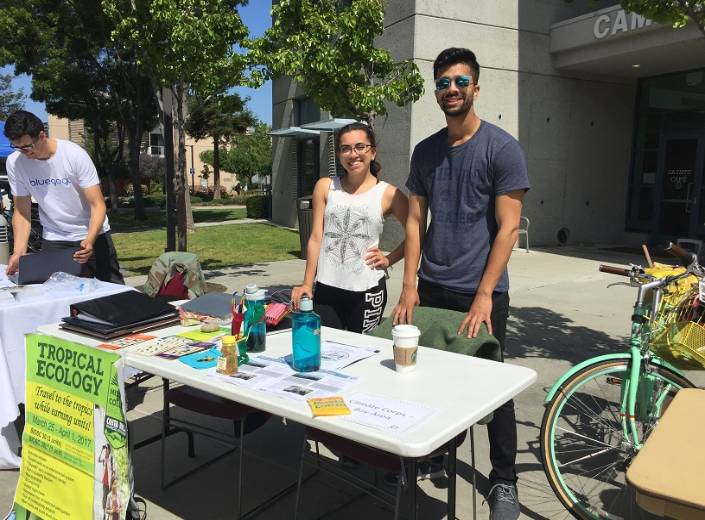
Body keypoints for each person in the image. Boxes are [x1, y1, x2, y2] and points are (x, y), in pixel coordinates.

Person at [393, 48, 529, 520]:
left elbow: (509, 228)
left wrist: (485, 294)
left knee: (493, 387)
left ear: (476, 85)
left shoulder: (501, 148)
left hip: (482, 292)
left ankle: (504, 481)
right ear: (436, 91)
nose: (451, 89)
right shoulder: (425, 151)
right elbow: (414, 220)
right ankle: (430, 453)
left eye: (460, 80)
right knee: (425, 378)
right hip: (430, 284)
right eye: (443, 82)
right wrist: (409, 283)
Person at [291, 122, 408, 334]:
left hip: (367, 290)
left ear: (372, 152)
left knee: (363, 355)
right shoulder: (325, 187)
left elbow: (417, 233)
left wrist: (390, 259)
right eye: (346, 148)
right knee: (324, 348)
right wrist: (307, 283)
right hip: (327, 288)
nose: (353, 154)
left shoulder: (389, 194)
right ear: (339, 154)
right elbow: (316, 237)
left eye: (360, 147)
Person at [3, 110, 124, 283]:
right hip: (55, 238)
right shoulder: (15, 163)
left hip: (92, 234)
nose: (24, 152)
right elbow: (22, 211)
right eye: (17, 147)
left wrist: (89, 240)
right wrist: (18, 251)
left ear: (42, 135)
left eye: (27, 147)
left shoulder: (74, 155)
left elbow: (98, 205)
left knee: (113, 294)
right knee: (58, 294)